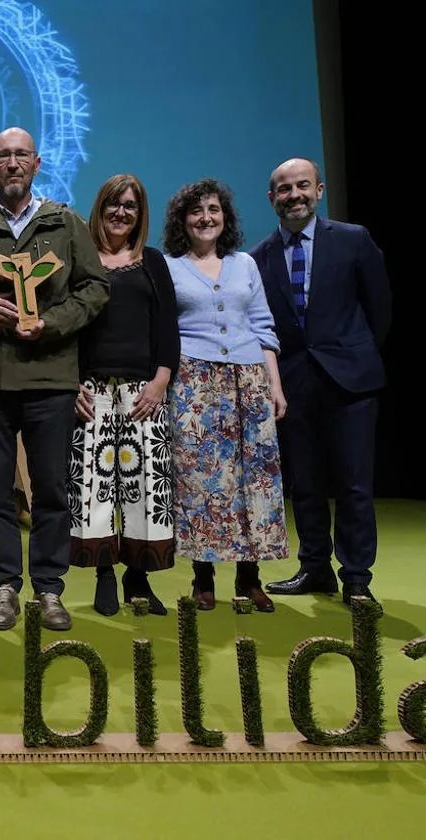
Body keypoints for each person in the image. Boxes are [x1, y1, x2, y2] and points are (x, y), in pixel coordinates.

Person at [0, 127, 109, 632]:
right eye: (4, 156)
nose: (13, 163)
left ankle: (48, 588)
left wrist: (53, 323)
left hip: (50, 378)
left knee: (51, 491)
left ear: (37, 164)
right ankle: (4, 587)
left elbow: (95, 287)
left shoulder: (65, 224)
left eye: (22, 155)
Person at [250, 158, 391, 607]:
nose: (294, 195)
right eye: (284, 189)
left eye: (302, 186)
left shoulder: (353, 240)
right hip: (293, 386)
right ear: (271, 198)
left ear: (320, 190)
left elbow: (379, 309)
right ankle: (315, 568)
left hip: (351, 382)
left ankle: (356, 577)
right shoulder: (258, 257)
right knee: (305, 484)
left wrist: (353, 356)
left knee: (353, 484)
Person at [163, 179, 287, 612]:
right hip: (194, 381)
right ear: (183, 221)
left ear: (225, 217)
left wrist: (275, 383)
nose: (206, 217)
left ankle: (250, 578)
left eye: (213, 209)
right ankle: (203, 577)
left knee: (253, 477)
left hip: (249, 379)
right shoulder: (170, 267)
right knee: (200, 479)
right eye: (196, 211)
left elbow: (263, 326)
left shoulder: (244, 265)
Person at [68, 174, 179, 617]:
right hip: (91, 390)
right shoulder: (81, 260)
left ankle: (138, 578)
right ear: (100, 207)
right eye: (113, 203)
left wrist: (160, 381)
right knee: (95, 491)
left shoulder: (152, 262)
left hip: (143, 392)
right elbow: (69, 326)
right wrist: (72, 383)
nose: (121, 212)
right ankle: (104, 577)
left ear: (140, 213)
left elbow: (168, 327)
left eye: (130, 205)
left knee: (143, 490)